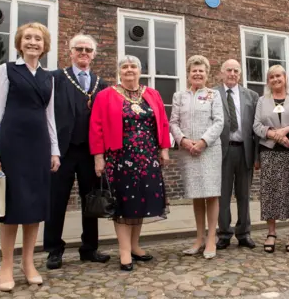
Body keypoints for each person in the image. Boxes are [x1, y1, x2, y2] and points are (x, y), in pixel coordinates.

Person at [0, 22, 60, 291]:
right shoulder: (7, 70)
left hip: (39, 145)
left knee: (35, 207)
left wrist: (55, 150)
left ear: (44, 45)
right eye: (27, 38)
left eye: (37, 39)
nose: (32, 42)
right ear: (20, 42)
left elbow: (49, 116)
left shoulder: (48, 77)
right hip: (12, 144)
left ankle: (28, 263)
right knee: (12, 207)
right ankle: (6, 264)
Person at [89, 55, 171, 271]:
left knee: (140, 202)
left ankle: (135, 246)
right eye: (124, 67)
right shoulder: (106, 95)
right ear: (119, 72)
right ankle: (124, 251)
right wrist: (98, 156)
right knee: (124, 205)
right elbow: (96, 126)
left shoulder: (152, 94)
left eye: (133, 66)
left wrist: (164, 148)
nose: (129, 70)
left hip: (148, 157)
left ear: (140, 70)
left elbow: (162, 121)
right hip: (120, 159)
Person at [43, 34, 110, 270]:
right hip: (62, 151)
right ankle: (53, 249)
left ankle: (89, 248)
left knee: (91, 201)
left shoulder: (101, 83)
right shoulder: (56, 78)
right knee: (56, 201)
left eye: (88, 49)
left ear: (93, 54)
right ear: (70, 52)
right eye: (79, 48)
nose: (84, 52)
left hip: (90, 152)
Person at [253, 65, 289, 253]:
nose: (275, 79)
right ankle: (271, 232)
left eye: (278, 76)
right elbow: (256, 125)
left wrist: (288, 129)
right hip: (270, 151)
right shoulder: (262, 100)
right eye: (271, 77)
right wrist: (274, 134)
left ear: (285, 77)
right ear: (268, 81)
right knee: (270, 191)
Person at [170, 55, 224, 259]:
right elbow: (173, 122)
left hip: (208, 150)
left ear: (207, 74)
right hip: (188, 150)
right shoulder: (179, 96)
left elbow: (219, 122)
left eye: (201, 70)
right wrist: (183, 140)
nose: (198, 73)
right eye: (194, 70)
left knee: (211, 193)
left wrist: (202, 141)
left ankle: (211, 238)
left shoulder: (213, 95)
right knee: (197, 194)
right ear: (189, 73)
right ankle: (199, 237)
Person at [214, 59, 259, 250]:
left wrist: (257, 156)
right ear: (222, 73)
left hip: (244, 150)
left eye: (236, 71)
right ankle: (224, 233)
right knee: (222, 195)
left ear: (240, 74)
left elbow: (256, 129)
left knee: (244, 194)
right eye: (229, 70)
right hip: (222, 151)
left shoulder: (252, 96)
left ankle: (244, 233)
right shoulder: (212, 94)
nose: (232, 74)